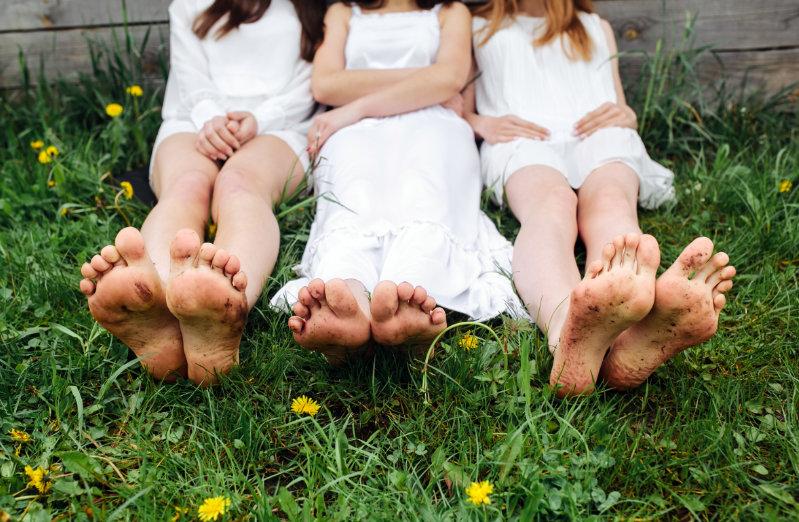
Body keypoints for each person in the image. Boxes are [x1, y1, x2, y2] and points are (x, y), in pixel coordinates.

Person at [465, 0, 736, 396]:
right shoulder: (475, 25)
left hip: (596, 134)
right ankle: (568, 329)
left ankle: (624, 336)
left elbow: (620, 104)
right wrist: (480, 122)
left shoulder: (593, 25)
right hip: (521, 138)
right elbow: (454, 105)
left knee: (610, 202)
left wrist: (626, 116)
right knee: (550, 205)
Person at [79, 0, 326, 385]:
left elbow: (311, 83)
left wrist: (260, 120)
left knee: (241, 184)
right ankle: (155, 298)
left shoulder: (314, 8)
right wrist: (211, 119)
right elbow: (190, 77)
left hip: (280, 126)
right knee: (186, 186)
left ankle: (224, 301)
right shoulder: (190, 4)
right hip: (193, 121)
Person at [270, 0, 524, 363]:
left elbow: (451, 77)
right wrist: (426, 80)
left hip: (431, 120)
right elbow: (325, 84)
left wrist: (358, 103)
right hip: (355, 128)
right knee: (355, 190)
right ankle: (348, 300)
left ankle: (410, 295)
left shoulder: (450, 12)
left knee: (424, 185)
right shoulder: (344, 11)